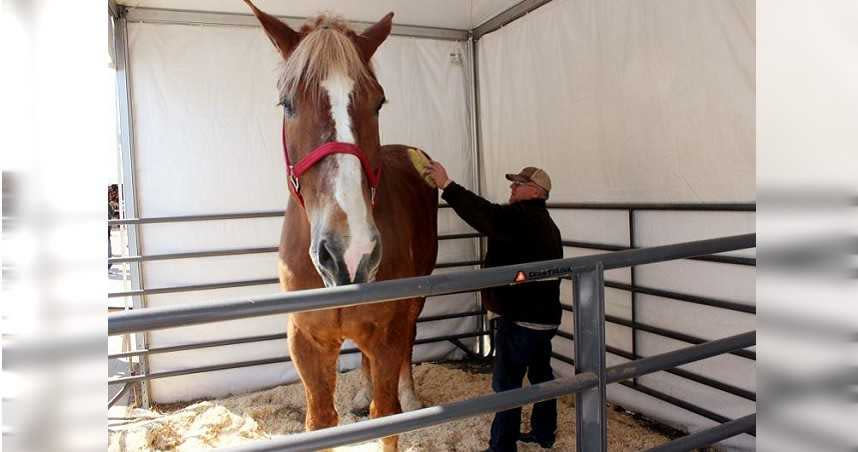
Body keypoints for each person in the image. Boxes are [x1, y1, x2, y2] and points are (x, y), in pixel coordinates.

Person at [425, 162, 562, 452]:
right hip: (545, 317)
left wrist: (447, 186)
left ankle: (501, 447)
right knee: (541, 375)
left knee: (507, 384)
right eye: (513, 183)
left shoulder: (522, 217)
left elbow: (485, 215)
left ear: (536, 191)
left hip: (522, 318)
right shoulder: (545, 222)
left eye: (519, 184)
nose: (512, 188)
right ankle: (544, 432)